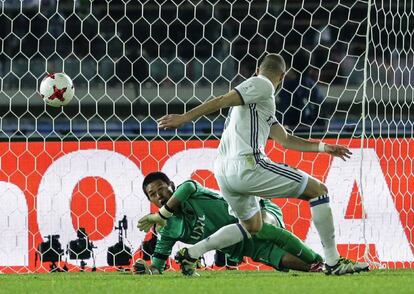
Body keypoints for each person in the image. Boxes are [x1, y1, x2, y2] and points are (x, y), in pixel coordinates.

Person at [153, 53, 369, 275]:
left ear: (258, 68)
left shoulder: (260, 103)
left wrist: (324, 148)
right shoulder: (263, 85)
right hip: (248, 165)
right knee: (318, 191)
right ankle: (333, 263)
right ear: (282, 76)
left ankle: (192, 253)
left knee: (252, 227)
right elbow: (221, 100)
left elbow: (284, 138)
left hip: (224, 173)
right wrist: (183, 118)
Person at [136, 172, 323, 275]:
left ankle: (194, 252)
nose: (159, 195)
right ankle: (326, 266)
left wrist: (163, 213)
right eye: (153, 194)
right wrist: (147, 270)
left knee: (259, 228)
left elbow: (188, 185)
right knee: (300, 264)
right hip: (245, 248)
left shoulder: (189, 190)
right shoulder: (168, 230)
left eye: (161, 189)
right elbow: (157, 265)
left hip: (256, 211)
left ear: (172, 186)